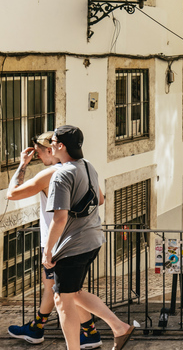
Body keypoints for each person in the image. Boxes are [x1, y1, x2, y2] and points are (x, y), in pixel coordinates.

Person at [6, 132, 103, 348]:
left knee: (61, 293)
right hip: (84, 238)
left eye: (39, 153)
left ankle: (44, 329)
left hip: (57, 241)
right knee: (66, 291)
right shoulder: (83, 166)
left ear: (52, 150)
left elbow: (12, 194)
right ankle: (88, 332)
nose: (38, 157)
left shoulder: (51, 174)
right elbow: (101, 198)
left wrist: (22, 164)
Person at [43, 125, 133, 350]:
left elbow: (60, 218)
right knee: (73, 294)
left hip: (73, 245)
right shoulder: (88, 165)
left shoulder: (61, 174)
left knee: (62, 301)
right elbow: (100, 199)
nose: (50, 145)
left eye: (52, 141)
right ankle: (119, 327)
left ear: (61, 145)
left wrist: (48, 249)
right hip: (93, 240)